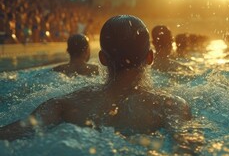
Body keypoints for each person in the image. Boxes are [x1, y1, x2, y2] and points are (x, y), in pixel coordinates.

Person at [0, 15, 192, 141]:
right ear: (150, 57)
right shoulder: (171, 105)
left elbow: (10, 134)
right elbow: (189, 150)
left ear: (102, 59)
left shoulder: (64, 104)